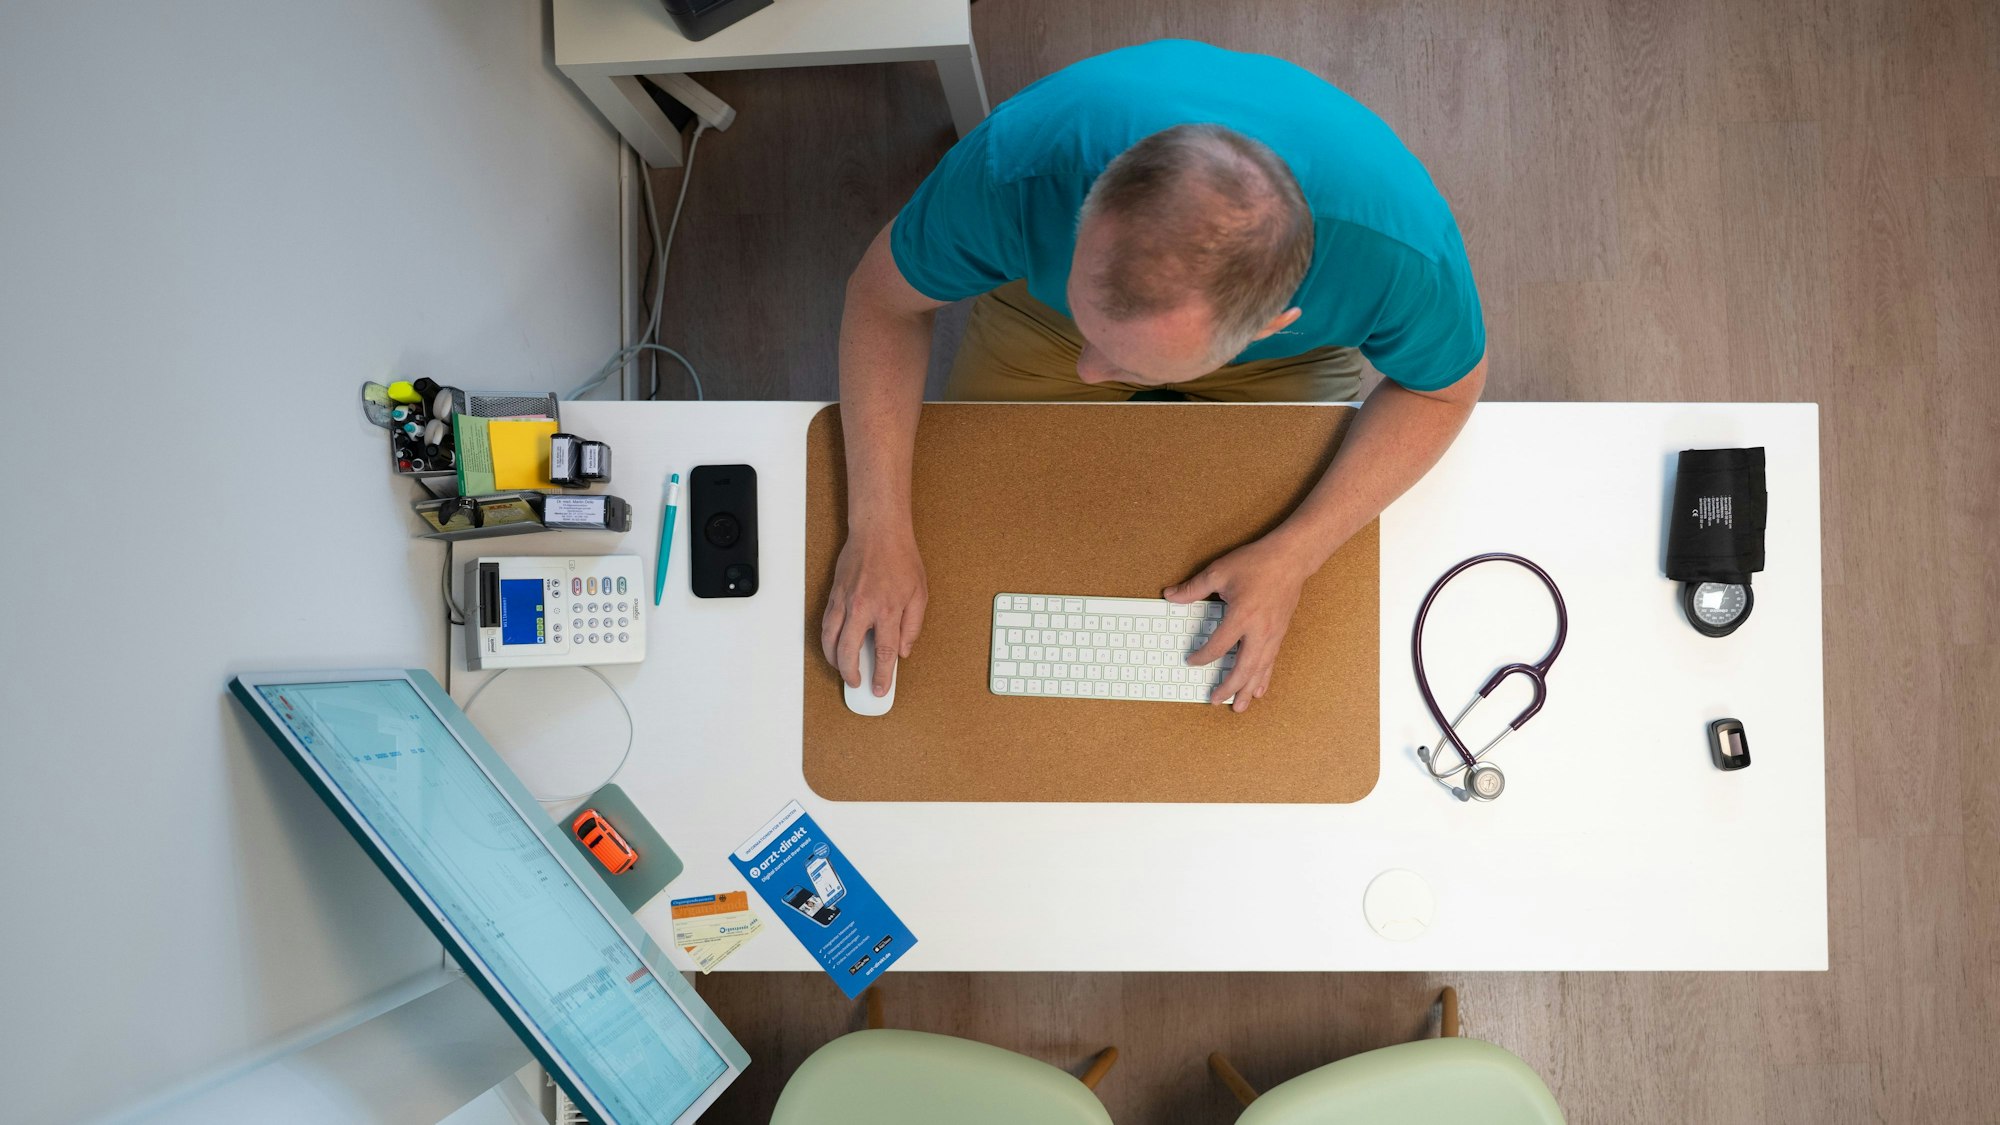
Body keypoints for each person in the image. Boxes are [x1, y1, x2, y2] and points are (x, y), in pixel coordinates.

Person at [821, 39, 1486, 712]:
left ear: (1267, 324)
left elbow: (1445, 391)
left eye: (1126, 365)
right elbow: (882, 302)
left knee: (1286, 559)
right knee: (977, 508)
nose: (1088, 376)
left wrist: (1297, 552)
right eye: (1097, 336)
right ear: (1089, 214)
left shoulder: (1401, 255)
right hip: (1044, 315)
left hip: (1290, 363)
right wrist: (877, 527)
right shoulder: (1016, 169)